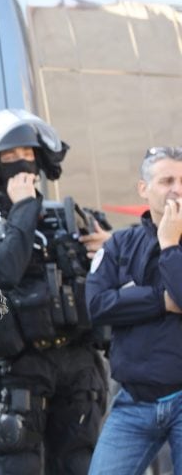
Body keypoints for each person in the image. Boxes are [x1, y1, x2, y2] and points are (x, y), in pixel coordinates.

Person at [0, 109, 109, 474]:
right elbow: (2, 273)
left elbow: (116, 287)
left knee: (80, 464)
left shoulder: (73, 219)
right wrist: (24, 209)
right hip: (20, 367)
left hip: (79, 368)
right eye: (9, 158)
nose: (21, 165)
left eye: (27, 155)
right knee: (19, 466)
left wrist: (108, 248)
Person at [86, 146, 182, 474]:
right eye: (167, 180)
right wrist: (159, 300)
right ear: (144, 189)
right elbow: (97, 305)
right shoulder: (119, 244)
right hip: (133, 401)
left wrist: (170, 244)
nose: (177, 188)